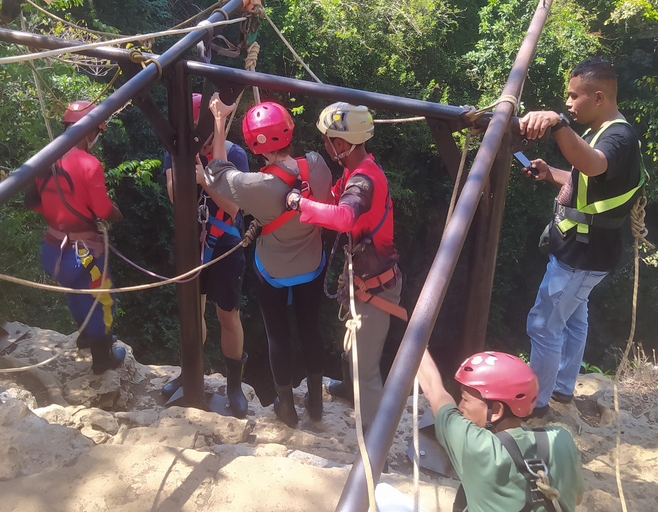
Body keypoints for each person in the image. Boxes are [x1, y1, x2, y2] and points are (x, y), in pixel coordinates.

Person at [519, 57, 644, 416]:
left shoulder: (619, 137)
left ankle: (535, 406)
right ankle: (560, 390)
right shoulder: (600, 131)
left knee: (542, 325)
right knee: (573, 318)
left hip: (582, 257)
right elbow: (586, 180)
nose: (569, 103)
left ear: (599, 96)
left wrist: (558, 123)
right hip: (585, 252)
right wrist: (549, 173)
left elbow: (592, 164)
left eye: (575, 96)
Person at [201, 94, 332, 427]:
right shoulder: (315, 163)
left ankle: (286, 408)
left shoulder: (253, 186)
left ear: (254, 144)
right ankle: (315, 403)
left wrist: (219, 120)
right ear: (289, 130)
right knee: (310, 327)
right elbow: (327, 203)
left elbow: (217, 172)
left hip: (273, 270)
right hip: (312, 263)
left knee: (278, 335)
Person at [286, 102, 406, 432]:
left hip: (377, 286)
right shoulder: (356, 171)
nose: (325, 146)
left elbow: (344, 217)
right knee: (352, 340)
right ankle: (346, 385)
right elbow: (336, 203)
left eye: (327, 141)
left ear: (341, 144)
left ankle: (374, 441)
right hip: (364, 278)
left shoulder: (364, 181)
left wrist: (298, 203)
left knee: (367, 370)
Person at [161, 93, 249, 419]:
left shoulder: (236, 155)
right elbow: (174, 197)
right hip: (193, 242)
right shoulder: (178, 153)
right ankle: (190, 374)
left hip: (225, 243)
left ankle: (235, 386)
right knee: (192, 312)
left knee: (227, 315)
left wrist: (205, 180)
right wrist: (181, 169)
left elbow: (233, 207)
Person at [25, 100, 126, 375]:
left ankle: (85, 337)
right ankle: (102, 357)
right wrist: (116, 213)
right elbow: (103, 209)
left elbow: (34, 203)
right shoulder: (89, 164)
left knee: (76, 293)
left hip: (53, 250)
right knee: (101, 299)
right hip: (83, 253)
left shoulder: (44, 158)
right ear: (89, 131)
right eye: (96, 132)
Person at [417, 349, 585, 511]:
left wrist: (415, 336)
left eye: (466, 399)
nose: (460, 407)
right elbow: (577, 499)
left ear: (496, 411)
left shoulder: (477, 446)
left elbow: (433, 389)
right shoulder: (562, 439)